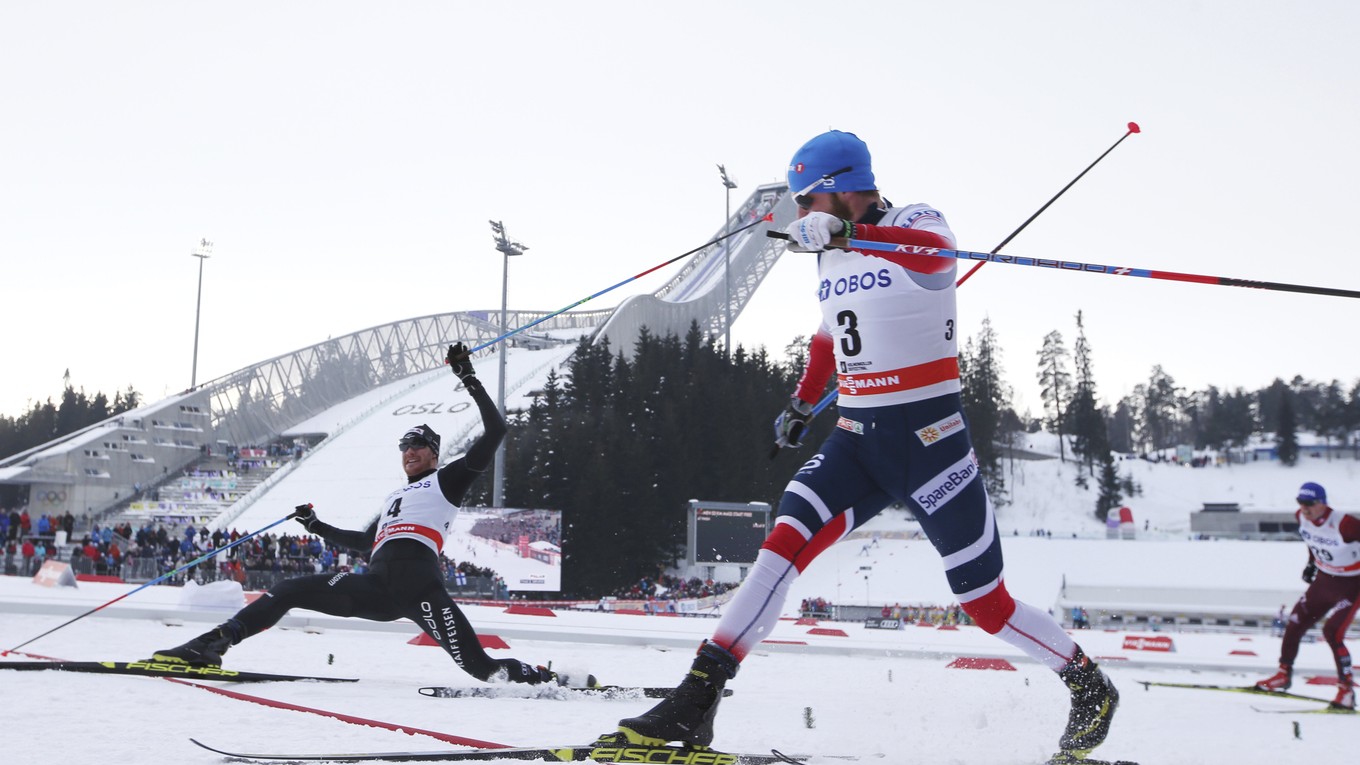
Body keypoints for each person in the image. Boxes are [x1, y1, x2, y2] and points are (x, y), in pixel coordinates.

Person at [617, 130, 1118, 761]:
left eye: (807, 201)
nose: (800, 216)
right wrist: (803, 402)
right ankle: (696, 701)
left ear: (839, 188)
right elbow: (828, 338)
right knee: (777, 552)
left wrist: (851, 236)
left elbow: (934, 257)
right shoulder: (826, 256)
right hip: (854, 440)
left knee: (983, 601)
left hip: (930, 445)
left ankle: (1090, 687)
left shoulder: (914, 220)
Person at [151, 344, 572, 686]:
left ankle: (543, 678)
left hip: (421, 589)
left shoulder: (447, 480)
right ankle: (212, 644)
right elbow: (365, 543)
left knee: (482, 668)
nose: (410, 452)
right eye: (405, 446)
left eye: (419, 445)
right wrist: (316, 526)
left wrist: (468, 377)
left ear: (434, 453)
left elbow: (496, 431)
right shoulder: (393, 499)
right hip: (375, 588)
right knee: (291, 588)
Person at [1254, 481, 1359, 709]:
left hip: (1352, 584)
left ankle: (1346, 690)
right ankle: (1283, 674)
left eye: (1310, 504)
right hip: (1324, 581)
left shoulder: (1345, 524)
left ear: (1322, 503)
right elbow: (1312, 540)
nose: (1305, 508)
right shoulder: (1301, 517)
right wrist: (1311, 564)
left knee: (1332, 632)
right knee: (1294, 622)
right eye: (1301, 503)